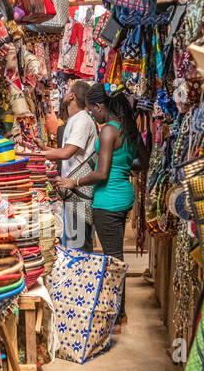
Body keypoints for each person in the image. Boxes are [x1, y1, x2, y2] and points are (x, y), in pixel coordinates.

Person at [51, 84, 141, 325]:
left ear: (100, 106)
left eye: (92, 111)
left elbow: (101, 173)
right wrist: (121, 167)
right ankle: (119, 312)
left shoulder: (108, 131)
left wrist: (75, 181)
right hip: (123, 196)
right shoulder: (128, 129)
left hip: (107, 200)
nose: (92, 115)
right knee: (116, 256)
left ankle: (117, 315)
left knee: (112, 260)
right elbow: (140, 163)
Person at [42, 79, 97, 251]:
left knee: (78, 247)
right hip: (74, 192)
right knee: (75, 244)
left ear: (72, 96)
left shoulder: (82, 120)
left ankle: (83, 270)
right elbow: (65, 152)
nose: (65, 94)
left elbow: (67, 153)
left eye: (67, 91)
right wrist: (43, 149)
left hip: (79, 193)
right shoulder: (76, 120)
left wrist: (36, 155)